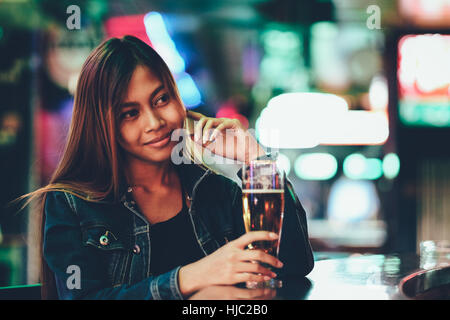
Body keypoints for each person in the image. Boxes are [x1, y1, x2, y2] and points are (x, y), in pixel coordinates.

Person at [20, 35, 314, 300]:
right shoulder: (71, 204)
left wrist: (257, 162)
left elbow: (290, 265)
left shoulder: (215, 192)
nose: (154, 122)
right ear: (102, 125)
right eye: (130, 113)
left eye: (161, 99)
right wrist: (191, 278)